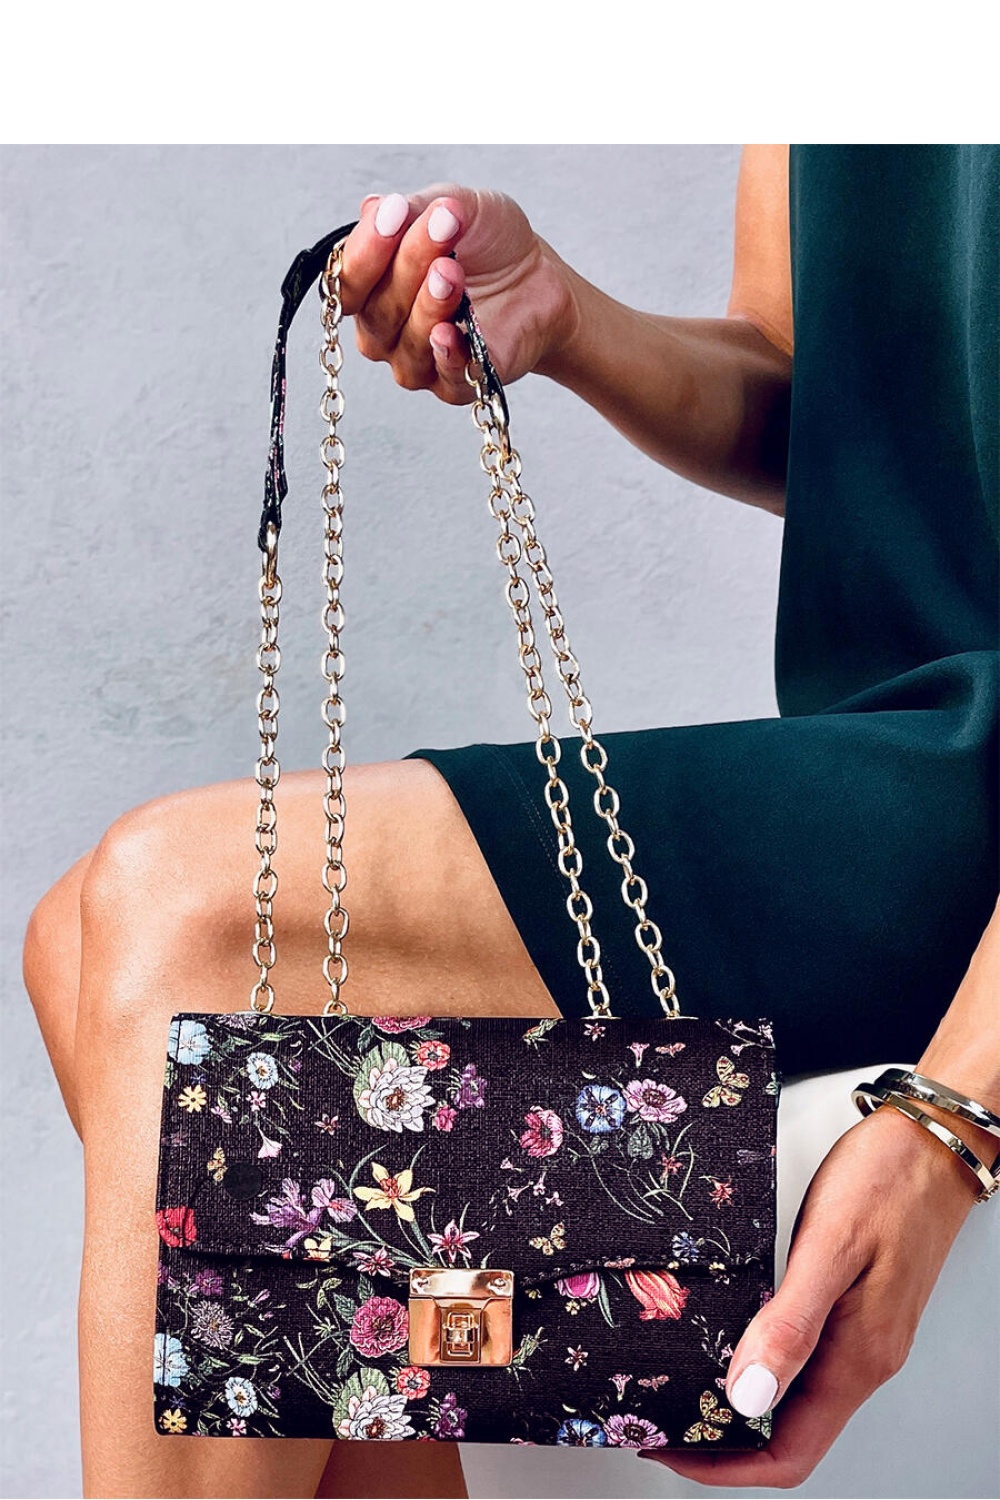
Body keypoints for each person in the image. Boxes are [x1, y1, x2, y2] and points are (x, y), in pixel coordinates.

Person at [22, 145, 998, 1499]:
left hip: (963, 797)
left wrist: (954, 1120)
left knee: (182, 917)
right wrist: (566, 313)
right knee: (78, 941)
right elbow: (821, 390)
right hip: (878, 746)